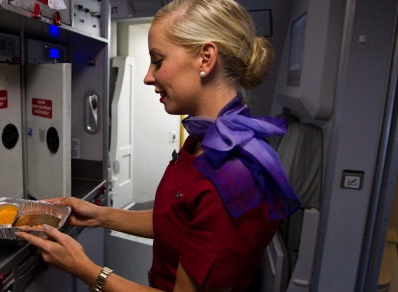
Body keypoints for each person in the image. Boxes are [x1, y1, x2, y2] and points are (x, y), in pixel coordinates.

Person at [15, 0, 301, 291]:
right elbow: (178, 222)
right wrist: (100, 216)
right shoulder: (208, 139)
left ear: (205, 58)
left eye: (158, 60)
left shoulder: (233, 176)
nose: (148, 76)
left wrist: (86, 270)